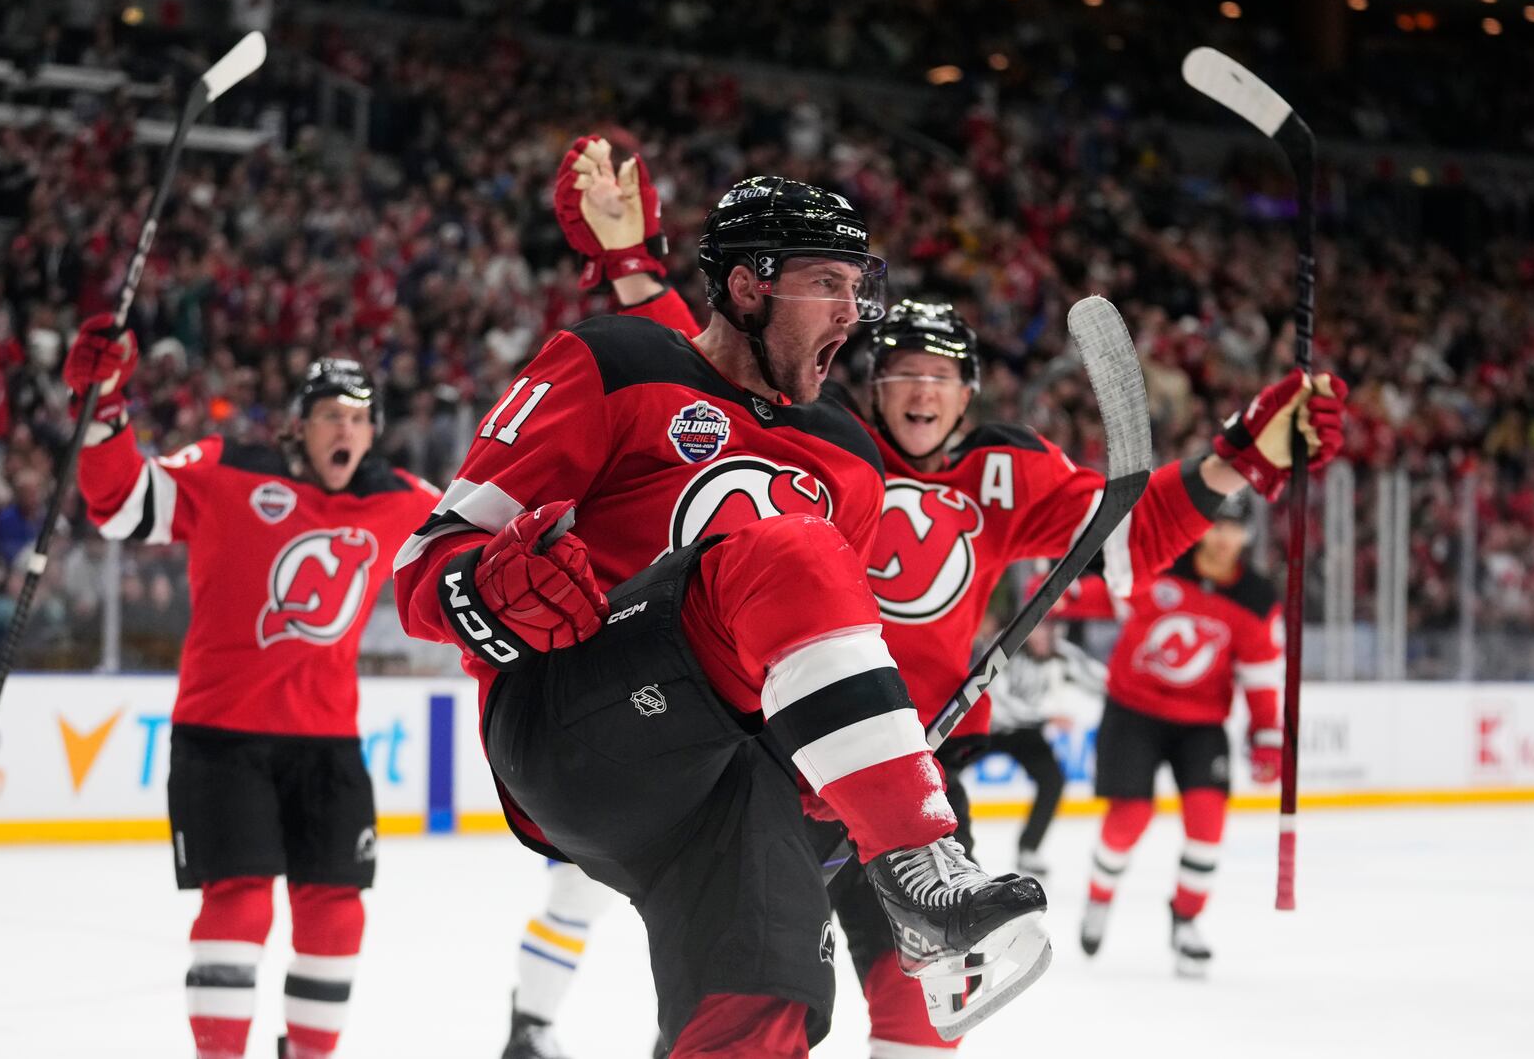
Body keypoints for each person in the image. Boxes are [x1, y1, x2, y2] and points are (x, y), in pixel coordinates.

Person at [518, 136, 1350, 1055]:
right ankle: (533, 1019)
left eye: (940, 376)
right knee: (745, 990)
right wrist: (633, 265)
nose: (919, 389)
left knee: (918, 1006)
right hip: (767, 753)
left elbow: (1133, 531)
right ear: (872, 383)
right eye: (902, 371)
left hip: (915, 762)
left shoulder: (1008, 472)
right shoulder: (822, 443)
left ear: (968, 392)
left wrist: (1242, 455)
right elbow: (704, 371)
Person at [395, 173, 1053, 1059]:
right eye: (828, 283)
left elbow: (815, 648)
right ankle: (918, 863)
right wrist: (490, 587)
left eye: (860, 287)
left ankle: (898, 861)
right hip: (577, 721)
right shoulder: (614, 364)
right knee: (790, 549)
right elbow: (421, 569)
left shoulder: (851, 459)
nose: (851, 312)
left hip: (731, 780)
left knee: (759, 1017)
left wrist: (839, 768)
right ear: (748, 286)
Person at [63, 317, 439, 1059]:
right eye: (331, 414)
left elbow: (485, 542)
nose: (346, 429)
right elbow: (121, 503)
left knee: (336, 915)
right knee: (236, 905)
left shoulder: (404, 501)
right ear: (299, 424)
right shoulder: (226, 469)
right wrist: (104, 405)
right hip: (221, 736)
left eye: (359, 418)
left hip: (329, 743)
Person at [1076, 494, 1284, 978]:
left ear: (1247, 536)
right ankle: (1099, 897)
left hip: (1201, 723)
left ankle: (1187, 921)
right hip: (1134, 710)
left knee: (1207, 823)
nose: (1224, 538)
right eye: (1218, 526)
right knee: (1129, 818)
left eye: (1235, 529)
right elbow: (1109, 592)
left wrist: (1267, 734)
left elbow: (1259, 675)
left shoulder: (1255, 600)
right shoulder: (1163, 562)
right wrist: (1062, 596)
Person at [982, 617, 1108, 879]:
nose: (1044, 637)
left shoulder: (1062, 652)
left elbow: (1099, 680)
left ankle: (1029, 849)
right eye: (1037, 631)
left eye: (1050, 630)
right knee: (946, 776)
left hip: (1026, 733)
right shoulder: (1003, 648)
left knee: (1053, 780)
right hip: (985, 728)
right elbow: (997, 701)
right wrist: (1047, 717)